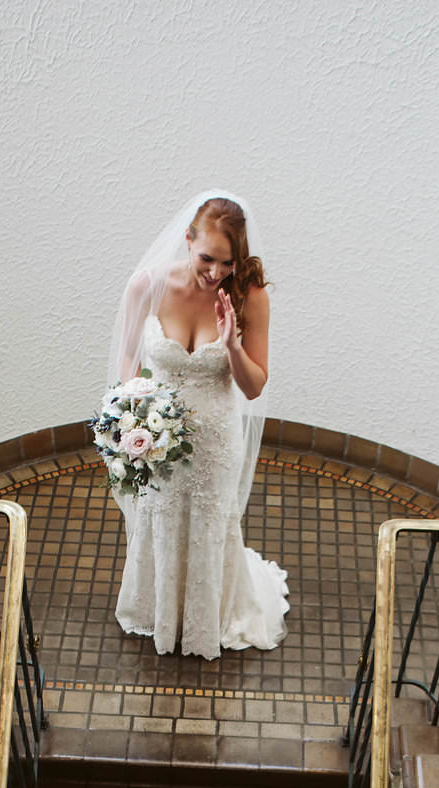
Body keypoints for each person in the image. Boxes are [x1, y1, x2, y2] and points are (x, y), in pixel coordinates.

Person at [108, 190, 289, 659]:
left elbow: (253, 388)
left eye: (227, 263)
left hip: (214, 444)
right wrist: (134, 412)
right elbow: (128, 355)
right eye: (207, 258)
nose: (215, 273)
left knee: (210, 527)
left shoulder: (250, 296)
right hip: (159, 440)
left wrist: (231, 345)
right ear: (187, 240)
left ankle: (209, 618)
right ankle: (160, 613)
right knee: (161, 522)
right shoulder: (147, 285)